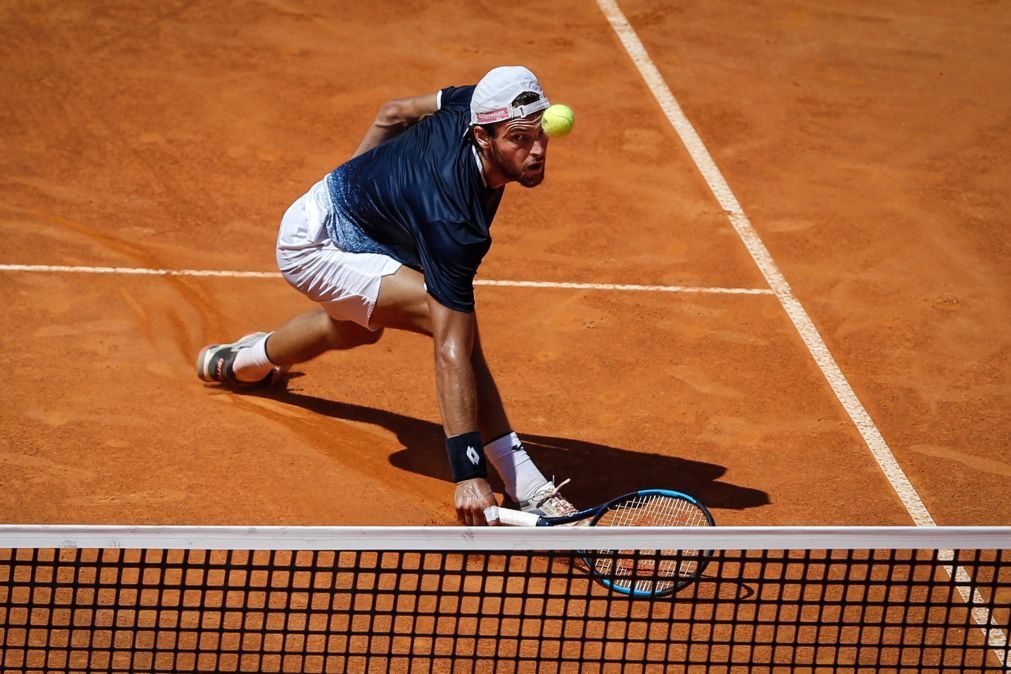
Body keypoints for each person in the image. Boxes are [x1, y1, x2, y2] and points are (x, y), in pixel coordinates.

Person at [197, 66, 578, 526]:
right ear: (482, 135)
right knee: (448, 321)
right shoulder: (452, 221)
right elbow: (452, 352)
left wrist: (352, 178)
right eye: (519, 138)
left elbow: (393, 112)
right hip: (316, 245)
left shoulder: (475, 100)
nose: (536, 149)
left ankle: (242, 363)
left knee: (354, 331)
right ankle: (527, 485)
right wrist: (468, 472)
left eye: (541, 132)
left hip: (368, 224)